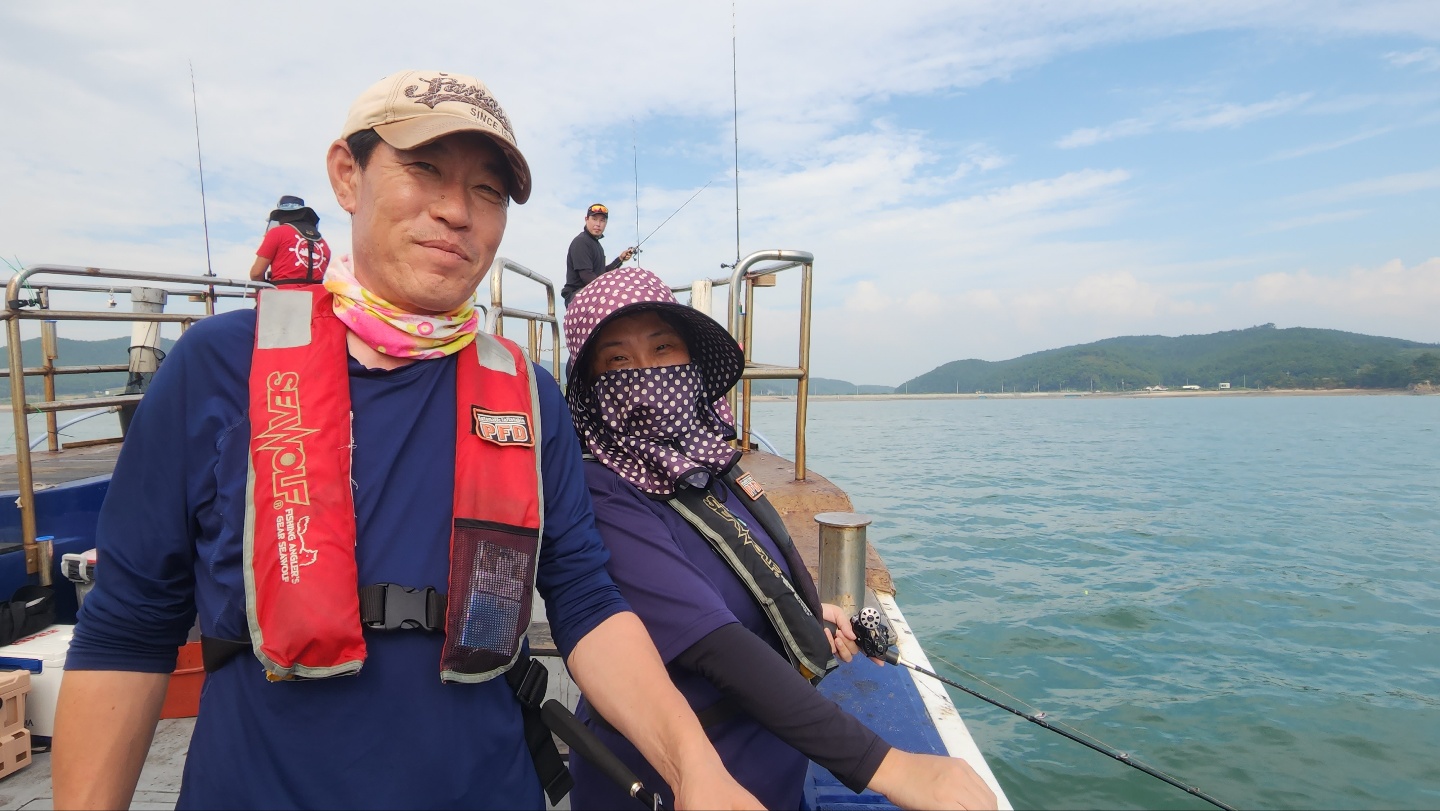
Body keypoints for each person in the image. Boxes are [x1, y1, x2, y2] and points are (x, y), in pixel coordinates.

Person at [51, 70, 762, 811]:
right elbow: (129, 624)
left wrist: (695, 769)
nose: (457, 211)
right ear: (347, 174)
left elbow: (585, 597)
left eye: (488, 191)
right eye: (424, 169)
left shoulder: (530, 397)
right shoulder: (218, 366)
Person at [562, 266, 1000, 810]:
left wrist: (811, 615)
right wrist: (892, 766)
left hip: (774, 763)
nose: (647, 373)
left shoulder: (705, 464)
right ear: (592, 387)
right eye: (618, 361)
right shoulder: (601, 491)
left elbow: (745, 571)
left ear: (691, 359)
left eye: (663, 347)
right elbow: (714, 643)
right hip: (680, 782)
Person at [561, 203, 634, 305]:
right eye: (594, 219)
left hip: (594, 292)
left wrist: (620, 259)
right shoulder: (581, 242)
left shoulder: (597, 245)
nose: (598, 224)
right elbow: (587, 276)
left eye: (602, 220)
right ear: (586, 219)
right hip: (576, 298)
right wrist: (613, 289)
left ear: (606, 223)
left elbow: (602, 275)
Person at [249, 195, 331, 284]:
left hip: (282, 292)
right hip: (317, 292)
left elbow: (256, 274)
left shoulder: (277, 233)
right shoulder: (323, 243)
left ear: (281, 214)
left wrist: (263, 287)